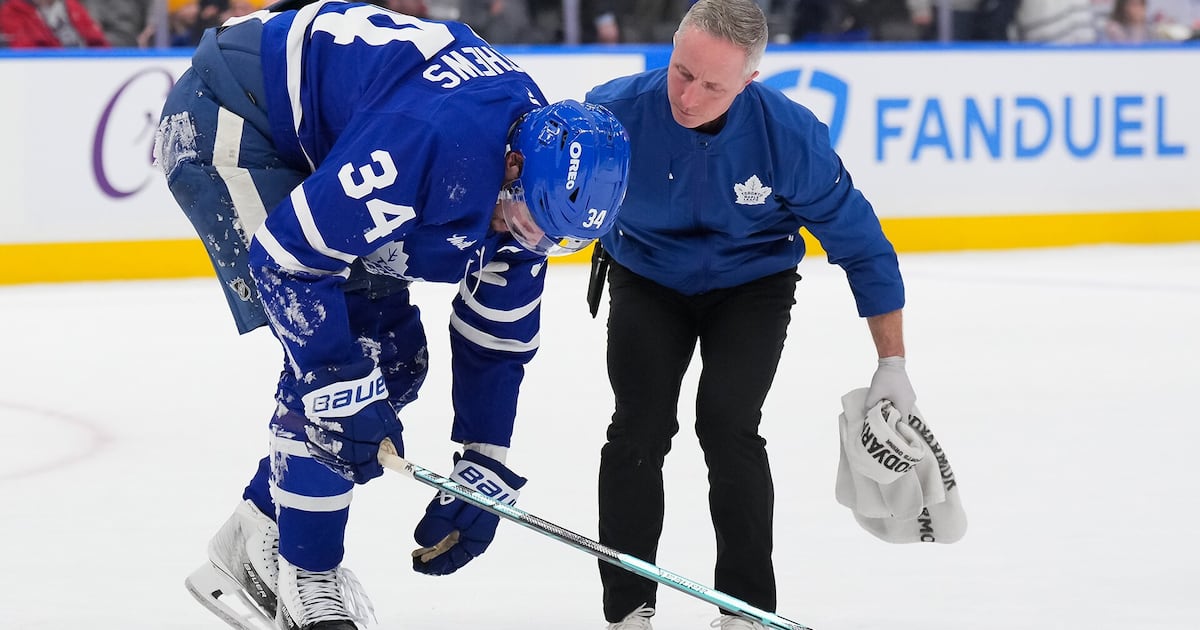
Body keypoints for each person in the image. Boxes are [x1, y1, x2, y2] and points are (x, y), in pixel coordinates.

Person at [153, 2, 630, 629]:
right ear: (512, 165)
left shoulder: (537, 183)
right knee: (345, 361)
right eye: (527, 221)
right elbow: (287, 262)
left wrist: (484, 459)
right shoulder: (423, 144)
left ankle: (255, 532)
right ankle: (307, 575)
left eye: (556, 241)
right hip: (236, 112)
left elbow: (497, 335)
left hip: (340, 130)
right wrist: (332, 379)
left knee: (394, 364)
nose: (530, 243)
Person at [584, 0, 915, 628]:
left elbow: (863, 246)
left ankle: (745, 611)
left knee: (728, 426)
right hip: (646, 276)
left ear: (749, 80)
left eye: (712, 85)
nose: (688, 97)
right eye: (682, 72)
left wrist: (891, 363)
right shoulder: (610, 114)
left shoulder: (788, 136)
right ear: (672, 49)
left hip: (751, 286)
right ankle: (628, 612)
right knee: (637, 430)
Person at [0, 0, 109, 48]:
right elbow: (25, 51)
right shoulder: (13, 10)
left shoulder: (72, 5)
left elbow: (98, 40)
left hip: (86, 65)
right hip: (45, 70)